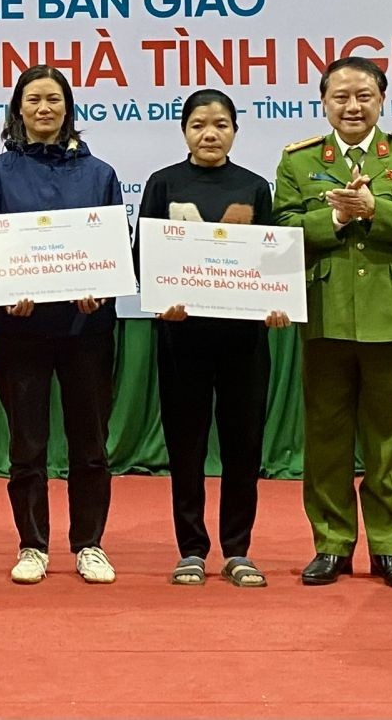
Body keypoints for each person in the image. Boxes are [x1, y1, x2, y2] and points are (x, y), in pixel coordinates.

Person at [274, 56, 392, 591]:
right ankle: (331, 544)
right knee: (326, 438)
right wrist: (335, 217)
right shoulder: (299, 160)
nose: (352, 106)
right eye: (341, 97)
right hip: (325, 316)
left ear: (381, 100)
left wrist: (375, 210)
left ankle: (390, 547)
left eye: (364, 96)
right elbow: (281, 230)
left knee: (389, 440)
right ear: (324, 102)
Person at [0, 65, 125, 586]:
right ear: (18, 108)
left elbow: (114, 249)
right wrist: (5, 289)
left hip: (87, 330)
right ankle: (32, 544)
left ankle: (89, 544)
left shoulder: (100, 174)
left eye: (53, 99)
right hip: (21, 332)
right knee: (27, 446)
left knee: (91, 446)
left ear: (68, 108)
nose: (43, 108)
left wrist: (100, 285)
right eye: (33, 99)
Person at [135, 88, 290, 589]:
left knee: (244, 445)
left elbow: (272, 260)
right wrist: (161, 298)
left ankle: (238, 550)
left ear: (235, 131)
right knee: (186, 445)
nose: (209, 134)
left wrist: (277, 301)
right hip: (182, 336)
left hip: (244, 341)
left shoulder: (254, 186)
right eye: (199, 124)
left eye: (220, 124)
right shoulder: (163, 183)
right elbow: (143, 255)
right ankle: (191, 550)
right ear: (184, 131)